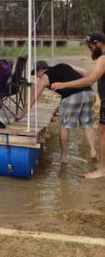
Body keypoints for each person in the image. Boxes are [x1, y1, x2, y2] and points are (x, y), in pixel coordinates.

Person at [15, 60, 96, 165]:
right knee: (87, 125)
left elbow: (32, 99)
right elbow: (85, 73)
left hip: (72, 96)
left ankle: (64, 157)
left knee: (64, 126)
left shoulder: (45, 77)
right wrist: (85, 88)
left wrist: (22, 114)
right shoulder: (65, 64)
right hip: (89, 93)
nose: (38, 77)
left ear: (40, 70)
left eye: (36, 74)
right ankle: (93, 150)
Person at [51, 31, 105, 179]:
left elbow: (89, 80)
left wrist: (64, 84)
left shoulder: (103, 58)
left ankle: (102, 170)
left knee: (103, 135)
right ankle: (99, 162)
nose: (90, 50)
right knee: (99, 131)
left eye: (91, 47)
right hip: (96, 98)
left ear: (98, 44)